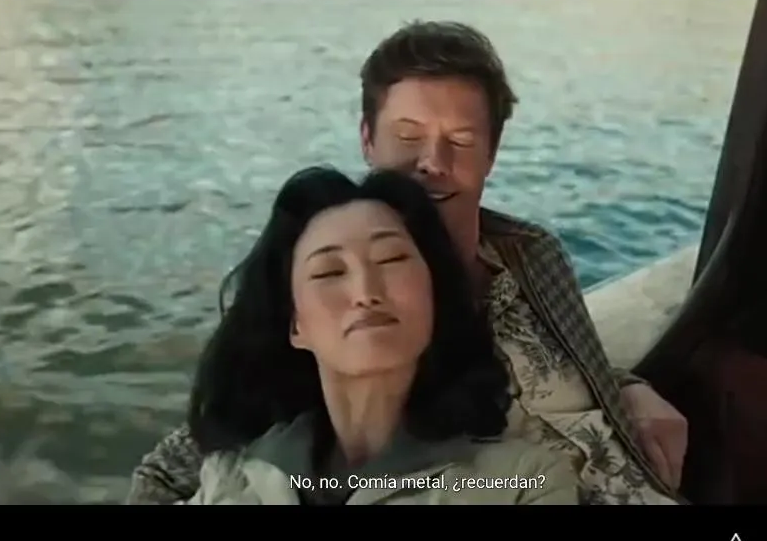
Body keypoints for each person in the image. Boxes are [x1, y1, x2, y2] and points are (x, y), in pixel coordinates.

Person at [129, 20, 688, 505]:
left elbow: (578, 362)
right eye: (408, 136)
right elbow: (173, 469)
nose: (432, 163)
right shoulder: (346, 311)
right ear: (368, 140)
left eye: (461, 141)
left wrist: (626, 386)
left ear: (491, 153)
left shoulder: (529, 252)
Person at [179, 166, 577, 505]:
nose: (366, 292)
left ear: (433, 295)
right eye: (330, 272)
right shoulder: (231, 477)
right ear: (296, 326)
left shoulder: (523, 482)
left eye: (391, 259)